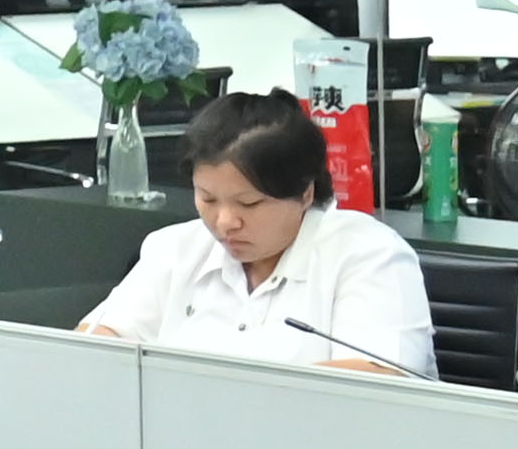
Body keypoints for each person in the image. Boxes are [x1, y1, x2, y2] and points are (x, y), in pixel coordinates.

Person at [80, 88, 437, 375]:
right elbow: (92, 347)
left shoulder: (368, 254)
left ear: (305, 193)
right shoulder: (175, 248)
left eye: (249, 204)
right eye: (207, 198)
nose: (224, 222)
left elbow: (380, 377)